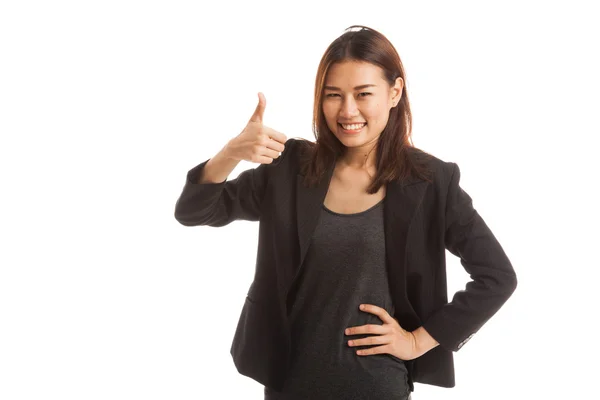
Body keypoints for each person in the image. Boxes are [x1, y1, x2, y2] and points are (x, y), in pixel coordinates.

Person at [174, 25, 517, 400]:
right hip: (289, 385)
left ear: (394, 92)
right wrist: (231, 153)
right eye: (333, 95)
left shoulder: (432, 181)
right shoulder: (289, 169)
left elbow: (497, 276)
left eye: (363, 94)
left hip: (376, 387)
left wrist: (417, 341)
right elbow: (194, 211)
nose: (347, 110)